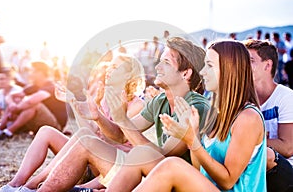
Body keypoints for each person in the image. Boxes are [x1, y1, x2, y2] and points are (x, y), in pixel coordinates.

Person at [33, 37, 210, 192]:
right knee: (86, 140)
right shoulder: (161, 100)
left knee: (139, 154)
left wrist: (122, 118)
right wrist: (98, 117)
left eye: (166, 62)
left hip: (173, 181)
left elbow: (164, 159)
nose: (157, 66)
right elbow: (118, 135)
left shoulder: (196, 107)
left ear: (186, 73)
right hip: (149, 172)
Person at [122, 40, 267, 192]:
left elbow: (227, 181)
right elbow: (200, 170)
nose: (203, 71)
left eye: (210, 66)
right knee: (145, 155)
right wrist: (194, 135)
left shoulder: (248, 118)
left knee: (171, 165)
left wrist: (191, 140)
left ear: (230, 70)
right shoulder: (215, 112)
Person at [0, 54, 146, 192]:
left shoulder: (136, 105)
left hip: (107, 165)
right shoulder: (106, 98)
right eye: (109, 66)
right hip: (89, 156)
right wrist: (73, 102)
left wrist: (96, 116)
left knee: (84, 135)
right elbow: (91, 130)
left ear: (129, 75)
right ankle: (15, 184)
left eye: (115, 67)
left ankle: (31, 186)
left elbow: (114, 138)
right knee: (46, 131)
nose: (108, 70)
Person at [244, 39, 293, 192]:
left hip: (285, 169)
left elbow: (287, 147)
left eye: (250, 61)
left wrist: (249, 141)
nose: (243, 66)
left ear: (267, 65)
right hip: (253, 167)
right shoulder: (243, 99)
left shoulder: (286, 97)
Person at [0, 61, 67, 137]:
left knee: (34, 105)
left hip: (55, 127)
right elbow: (10, 96)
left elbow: (31, 101)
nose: (30, 74)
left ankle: (8, 132)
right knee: (17, 100)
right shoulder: (34, 86)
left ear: (40, 73)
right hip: (40, 124)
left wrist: (16, 108)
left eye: (32, 71)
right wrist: (12, 104)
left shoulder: (51, 86)